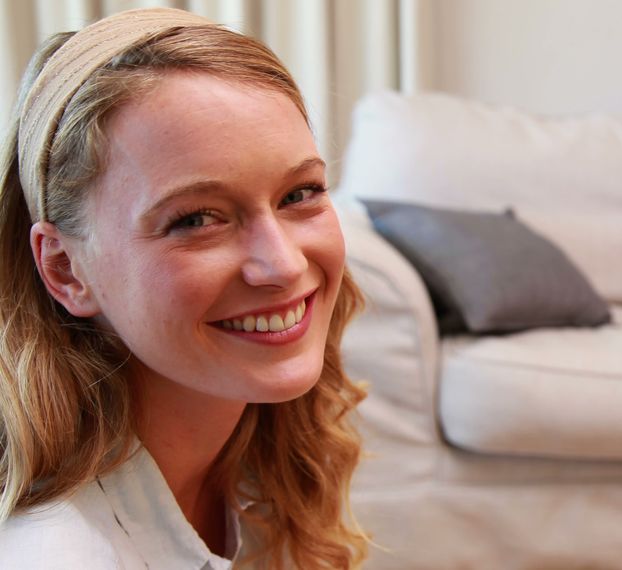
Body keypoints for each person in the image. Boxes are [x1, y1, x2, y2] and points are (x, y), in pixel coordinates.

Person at [0, 8, 367, 568]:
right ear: (66, 269)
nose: (284, 266)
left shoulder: (259, 461)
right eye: (196, 219)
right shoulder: (53, 553)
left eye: (299, 194)